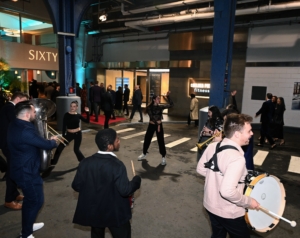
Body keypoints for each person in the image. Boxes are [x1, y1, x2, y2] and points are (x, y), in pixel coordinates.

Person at [197, 113, 260, 238]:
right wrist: (248, 202)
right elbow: (227, 191)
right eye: (249, 131)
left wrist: (217, 179)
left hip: (210, 205)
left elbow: (201, 169)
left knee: (218, 235)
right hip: (229, 211)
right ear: (237, 134)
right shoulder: (237, 158)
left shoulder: (213, 146)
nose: (252, 134)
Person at [72, 128, 141, 238]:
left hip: (95, 211)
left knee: (97, 234)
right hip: (115, 213)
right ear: (109, 146)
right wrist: (136, 181)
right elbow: (125, 190)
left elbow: (76, 185)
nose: (119, 141)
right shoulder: (117, 165)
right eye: (117, 139)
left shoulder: (85, 163)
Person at [7, 101, 58, 238]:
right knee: (36, 200)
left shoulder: (15, 124)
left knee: (31, 200)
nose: (36, 114)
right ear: (28, 114)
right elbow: (45, 144)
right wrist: (53, 141)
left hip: (21, 168)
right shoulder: (26, 130)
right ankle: (26, 234)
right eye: (34, 112)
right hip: (26, 172)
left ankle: (28, 225)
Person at [0, 92, 28, 210]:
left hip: (7, 143)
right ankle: (8, 200)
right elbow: (18, 123)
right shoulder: (10, 108)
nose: (24, 105)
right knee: (12, 172)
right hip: (8, 144)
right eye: (24, 102)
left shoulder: (7, 107)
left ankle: (14, 194)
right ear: (18, 99)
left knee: (14, 170)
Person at [49, 101, 90, 169]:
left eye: (74, 106)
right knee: (60, 148)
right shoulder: (66, 115)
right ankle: (53, 162)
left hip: (78, 134)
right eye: (71, 106)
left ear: (77, 107)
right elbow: (64, 126)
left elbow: (87, 121)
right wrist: (63, 136)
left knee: (76, 150)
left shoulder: (78, 115)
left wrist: (87, 112)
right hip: (69, 134)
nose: (72, 108)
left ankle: (83, 162)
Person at [138, 91, 173, 165]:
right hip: (152, 125)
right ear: (154, 99)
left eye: (159, 99)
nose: (159, 100)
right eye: (157, 98)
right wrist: (158, 125)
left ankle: (163, 157)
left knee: (161, 141)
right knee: (147, 139)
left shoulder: (160, 107)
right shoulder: (149, 108)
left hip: (159, 126)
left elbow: (171, 105)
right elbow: (152, 117)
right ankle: (144, 153)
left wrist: (168, 97)